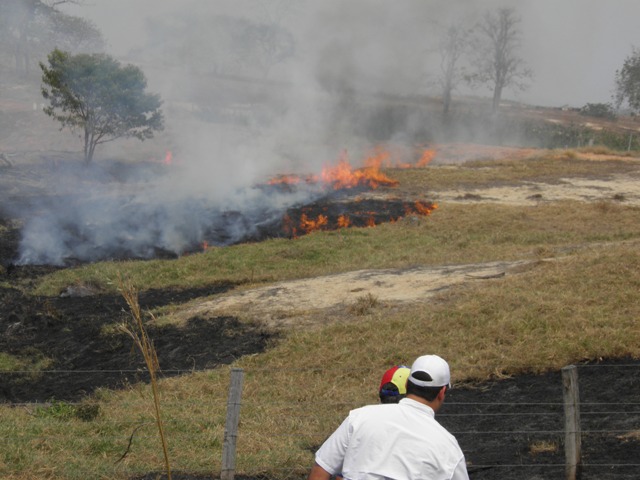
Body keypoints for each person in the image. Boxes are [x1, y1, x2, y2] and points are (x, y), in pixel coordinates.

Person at [308, 354, 469, 480]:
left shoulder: (360, 417)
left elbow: (320, 471)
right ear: (442, 392)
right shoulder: (447, 446)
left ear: (407, 385)